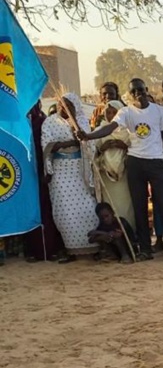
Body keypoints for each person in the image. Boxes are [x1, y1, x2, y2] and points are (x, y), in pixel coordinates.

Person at [79, 78, 163, 263]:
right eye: (134, 91)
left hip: (157, 162)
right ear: (129, 94)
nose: (138, 93)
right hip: (136, 163)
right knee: (140, 208)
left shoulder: (159, 111)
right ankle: (145, 249)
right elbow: (110, 128)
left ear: (146, 89)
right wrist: (88, 136)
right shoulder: (125, 112)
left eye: (140, 90)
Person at [42, 92, 100, 263]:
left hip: (81, 172)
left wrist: (75, 129)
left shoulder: (81, 122)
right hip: (60, 172)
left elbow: (89, 144)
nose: (62, 108)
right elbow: (47, 146)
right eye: (60, 104)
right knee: (64, 211)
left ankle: (93, 247)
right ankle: (71, 250)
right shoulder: (49, 122)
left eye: (67, 105)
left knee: (88, 208)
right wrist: (69, 144)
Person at [24, 102, 64, 262]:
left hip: (43, 172)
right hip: (26, 173)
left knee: (47, 210)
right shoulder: (20, 123)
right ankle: (33, 251)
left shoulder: (44, 122)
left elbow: (48, 147)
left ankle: (51, 249)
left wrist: (47, 170)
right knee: (30, 210)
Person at [92, 100, 135, 228]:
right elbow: (92, 154)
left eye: (114, 112)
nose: (110, 115)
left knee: (126, 206)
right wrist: (102, 148)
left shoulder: (128, 131)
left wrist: (124, 146)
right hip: (106, 177)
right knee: (111, 206)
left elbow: (136, 150)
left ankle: (129, 233)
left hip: (124, 176)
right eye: (108, 112)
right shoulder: (99, 131)